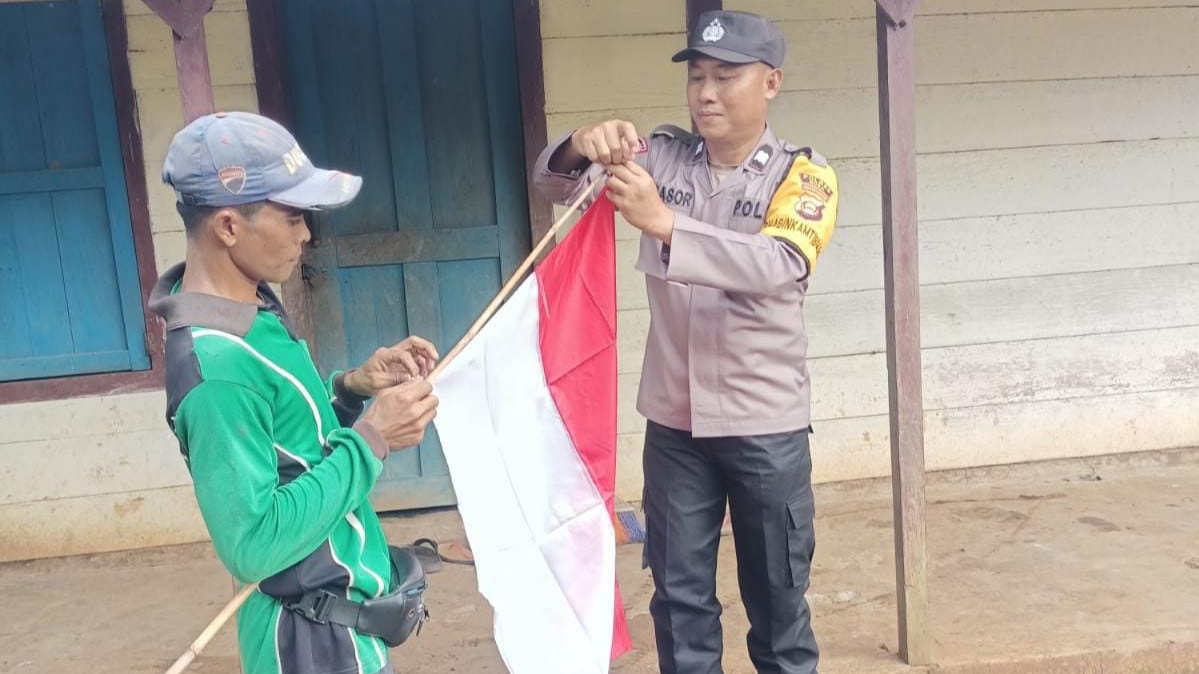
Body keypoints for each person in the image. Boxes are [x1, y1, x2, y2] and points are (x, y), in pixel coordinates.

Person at [533, 11, 839, 674]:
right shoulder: (662, 155)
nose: (705, 92)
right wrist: (582, 144)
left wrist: (664, 223)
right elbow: (553, 187)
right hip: (674, 426)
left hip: (765, 428)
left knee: (779, 607)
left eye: (725, 77)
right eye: (697, 76)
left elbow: (778, 263)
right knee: (678, 603)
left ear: (771, 83)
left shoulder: (803, 176)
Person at [149, 111, 439, 674]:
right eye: (292, 216)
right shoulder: (217, 373)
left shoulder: (250, 307)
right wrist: (371, 440)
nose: (307, 233)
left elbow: (286, 451)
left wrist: (351, 391)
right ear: (229, 226)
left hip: (337, 626)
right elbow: (252, 544)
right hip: (307, 642)